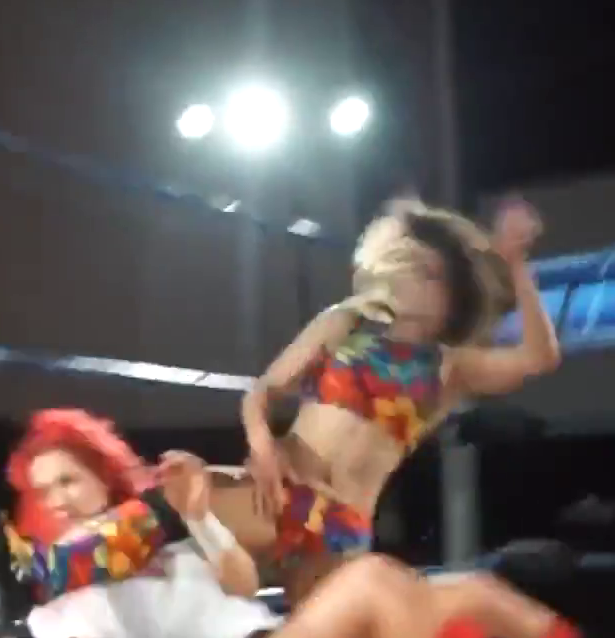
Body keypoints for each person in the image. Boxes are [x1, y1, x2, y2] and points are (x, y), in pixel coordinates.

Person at [0, 409, 615, 638]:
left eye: (70, 479)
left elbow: (238, 585)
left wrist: (198, 517)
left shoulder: (154, 543)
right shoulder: (53, 595)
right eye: (44, 490)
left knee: (474, 594)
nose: (60, 499)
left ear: (102, 474)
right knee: (371, 583)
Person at [211, 194, 561, 601]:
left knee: (313, 633)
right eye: (413, 265)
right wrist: (263, 448)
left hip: (340, 528)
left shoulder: (450, 368)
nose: (414, 278)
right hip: (282, 491)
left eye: (431, 274)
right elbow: (262, 392)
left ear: (454, 294)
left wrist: (517, 268)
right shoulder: (346, 321)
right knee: (161, 511)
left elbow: (539, 358)